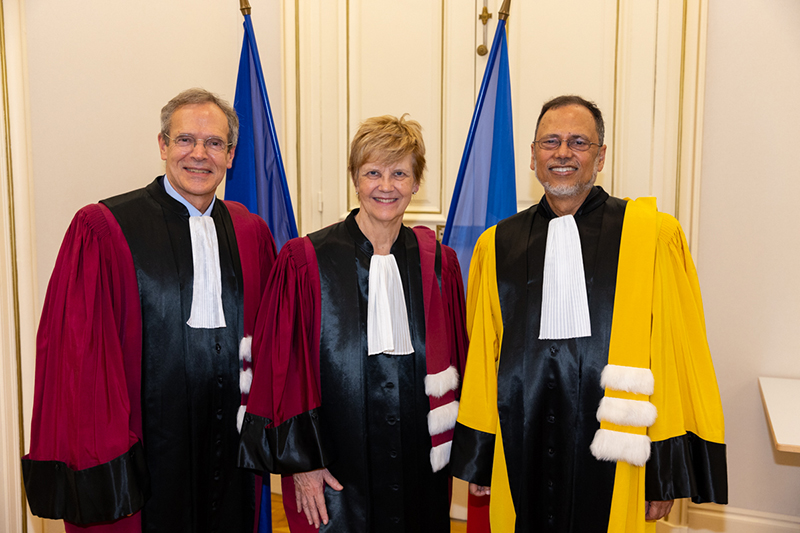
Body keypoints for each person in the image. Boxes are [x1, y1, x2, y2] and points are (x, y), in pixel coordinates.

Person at [450, 95, 728, 533]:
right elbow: (484, 358)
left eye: (578, 142)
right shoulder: (496, 244)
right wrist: (480, 456)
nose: (563, 153)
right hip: (520, 439)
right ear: (533, 157)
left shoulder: (652, 237)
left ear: (600, 157)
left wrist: (664, 469)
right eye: (550, 142)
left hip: (617, 451)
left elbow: (674, 356)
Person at [22, 88, 277, 532]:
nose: (199, 154)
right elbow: (79, 359)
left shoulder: (251, 233)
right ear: (162, 145)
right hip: (148, 453)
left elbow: (275, 343)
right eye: (185, 140)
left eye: (214, 143)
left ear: (231, 155)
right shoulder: (105, 229)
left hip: (232, 452)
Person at [239, 115, 468, 532]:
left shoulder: (440, 266)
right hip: (334, 472)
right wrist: (303, 463)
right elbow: (283, 370)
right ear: (355, 179)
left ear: (417, 183)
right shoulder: (305, 262)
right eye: (373, 173)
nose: (386, 186)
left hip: (420, 470)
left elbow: (462, 365)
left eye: (400, 173)